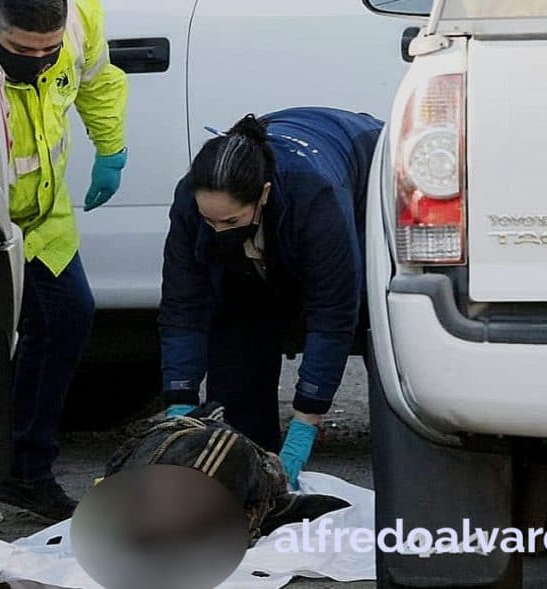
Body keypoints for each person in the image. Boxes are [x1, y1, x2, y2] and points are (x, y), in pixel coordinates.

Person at [159, 108, 383, 489]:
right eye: (208, 220)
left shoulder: (316, 198)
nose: (216, 230)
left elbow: (332, 314)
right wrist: (179, 400)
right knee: (236, 334)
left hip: (364, 167)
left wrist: (307, 418)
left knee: (373, 312)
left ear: (263, 195)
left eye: (229, 222)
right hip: (265, 224)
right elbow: (184, 303)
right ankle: (251, 480)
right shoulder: (191, 199)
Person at [0, 0, 128, 521]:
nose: (40, 61)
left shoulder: (82, 17)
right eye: (23, 51)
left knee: (68, 317)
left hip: (44, 217)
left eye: (50, 50)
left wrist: (111, 148)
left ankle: (27, 471)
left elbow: (99, 80)